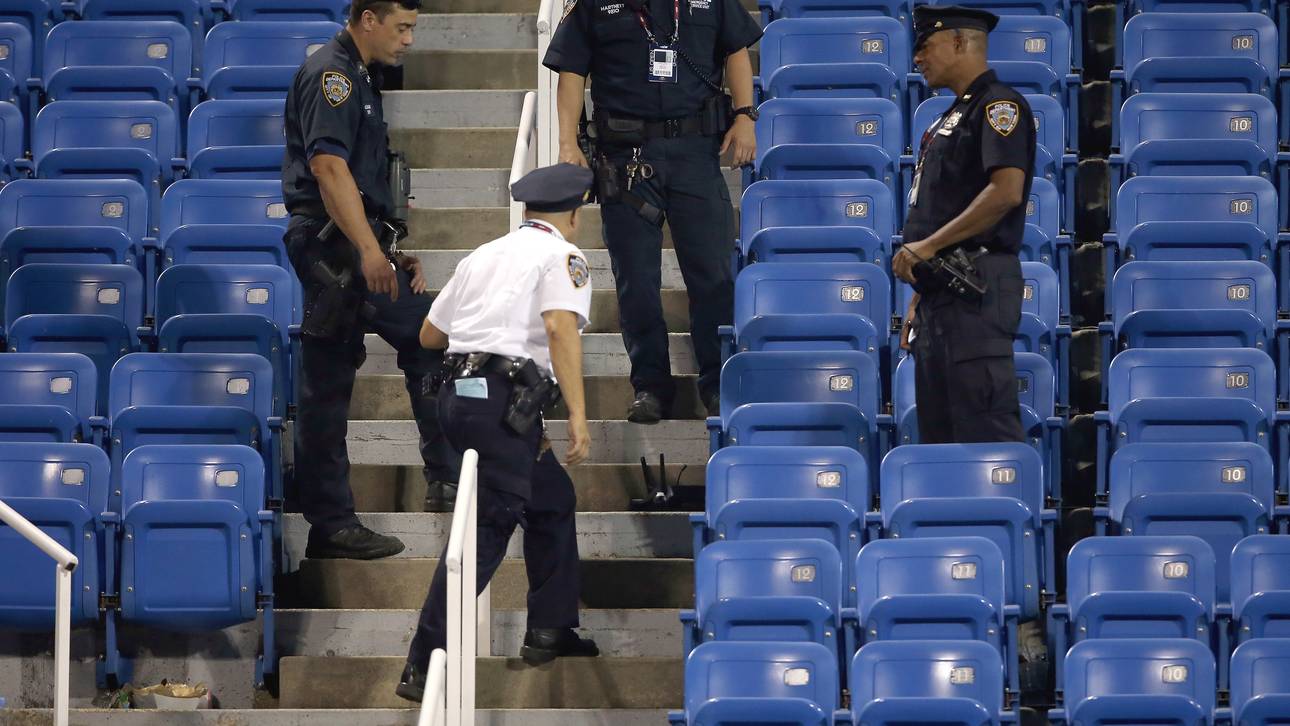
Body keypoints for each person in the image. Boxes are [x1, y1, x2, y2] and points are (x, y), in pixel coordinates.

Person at [395, 163, 601, 702]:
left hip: (460, 399)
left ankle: (550, 626)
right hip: (502, 403)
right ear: (573, 215)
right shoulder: (564, 257)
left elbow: (430, 334)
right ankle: (424, 661)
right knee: (486, 529)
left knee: (552, 498)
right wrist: (577, 415)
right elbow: (560, 329)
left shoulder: (482, 254)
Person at [281, 0, 461, 560]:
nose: (408, 40)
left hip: (356, 244)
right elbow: (328, 169)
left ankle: (442, 477)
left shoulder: (358, 75)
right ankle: (333, 522)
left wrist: (389, 250)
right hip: (335, 249)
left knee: (427, 337)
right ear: (367, 19)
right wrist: (366, 250)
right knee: (329, 384)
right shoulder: (333, 75)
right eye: (401, 27)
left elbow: (359, 176)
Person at [542, 0, 762, 424]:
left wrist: (745, 115)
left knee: (712, 277)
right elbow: (571, 71)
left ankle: (718, 384)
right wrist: (568, 143)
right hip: (626, 161)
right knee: (636, 282)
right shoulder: (594, 5)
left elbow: (735, 50)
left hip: (695, 154)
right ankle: (649, 387)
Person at [893, 5, 1035, 445]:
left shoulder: (999, 105)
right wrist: (920, 292)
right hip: (942, 290)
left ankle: (1001, 514)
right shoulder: (947, 117)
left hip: (976, 285)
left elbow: (1007, 190)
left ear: (959, 42)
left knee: (984, 429)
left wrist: (927, 247)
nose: (917, 57)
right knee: (941, 435)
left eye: (925, 45)